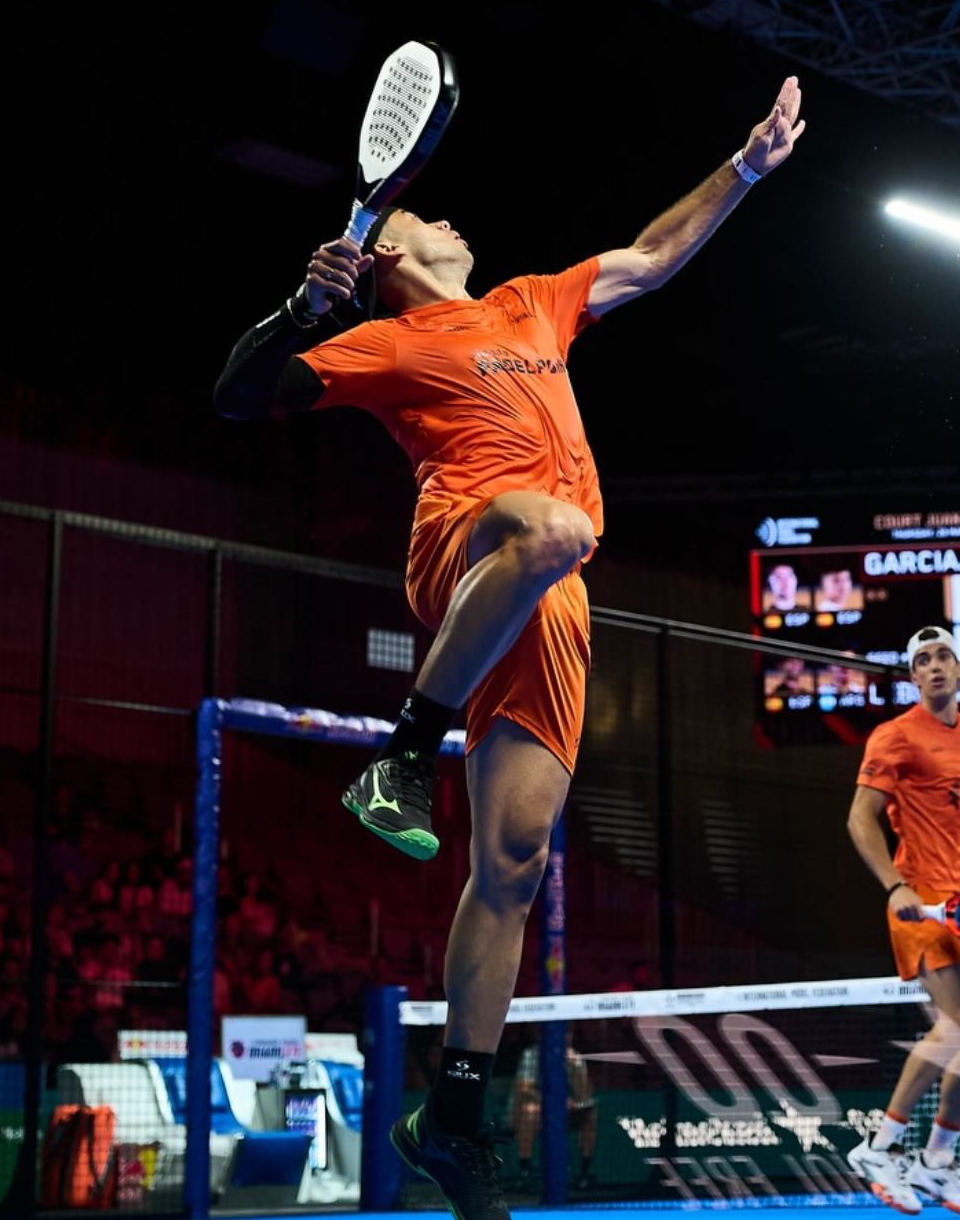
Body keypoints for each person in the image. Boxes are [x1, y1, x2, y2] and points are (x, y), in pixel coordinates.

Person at [214, 75, 804, 1217]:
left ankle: (454, 1117)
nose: (451, 216)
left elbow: (651, 256)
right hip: (475, 544)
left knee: (515, 864)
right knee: (556, 527)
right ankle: (403, 754)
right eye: (427, 213)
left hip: (554, 609)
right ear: (390, 252)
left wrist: (744, 168)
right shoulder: (385, 340)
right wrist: (297, 310)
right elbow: (241, 397)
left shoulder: (534, 302)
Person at [843, 627, 960, 1217]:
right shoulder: (894, 736)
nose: (934, 666)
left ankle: (936, 1161)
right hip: (921, 900)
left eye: (943, 656)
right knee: (959, 1025)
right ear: (913, 676)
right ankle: (880, 1147)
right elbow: (859, 818)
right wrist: (895, 885)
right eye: (922, 660)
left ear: (958, 668)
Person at [507, 1038, 598, 1189]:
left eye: (570, 1033)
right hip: (531, 1111)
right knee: (529, 1110)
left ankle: (584, 1173)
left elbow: (585, 1095)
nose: (567, 1036)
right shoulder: (532, 1055)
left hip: (562, 1114)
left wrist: (576, 1069)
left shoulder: (574, 1056)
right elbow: (523, 1089)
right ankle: (524, 1173)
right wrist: (554, 1102)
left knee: (590, 1116)